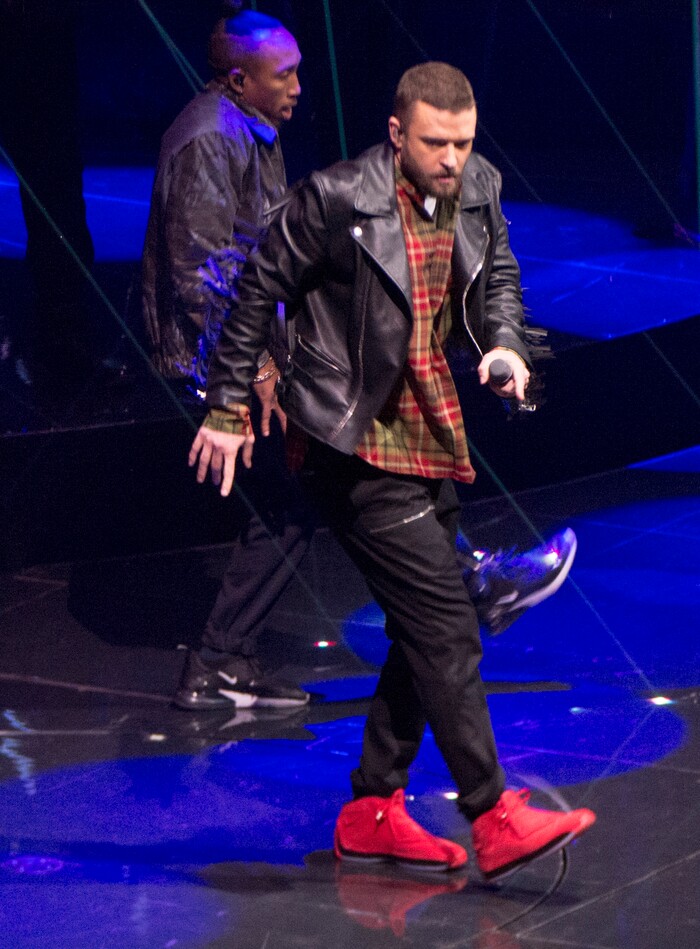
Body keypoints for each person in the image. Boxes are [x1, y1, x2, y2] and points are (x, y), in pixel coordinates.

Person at [189, 61, 596, 880]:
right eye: (437, 143)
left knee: (424, 625)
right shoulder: (337, 197)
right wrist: (228, 408)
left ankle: (373, 807)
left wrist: (509, 343)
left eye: (464, 142)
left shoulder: (477, 184)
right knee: (446, 626)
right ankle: (493, 813)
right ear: (397, 134)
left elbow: (500, 276)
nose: (453, 159)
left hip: (425, 424)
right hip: (347, 435)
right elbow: (253, 287)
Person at [144, 3, 576, 715]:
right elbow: (206, 277)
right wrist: (252, 381)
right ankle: (469, 583)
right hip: (215, 356)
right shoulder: (206, 142)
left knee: (310, 488)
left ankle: (223, 661)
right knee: (314, 480)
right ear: (235, 79)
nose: (298, 87)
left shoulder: (250, 129)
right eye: (283, 75)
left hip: (256, 349)